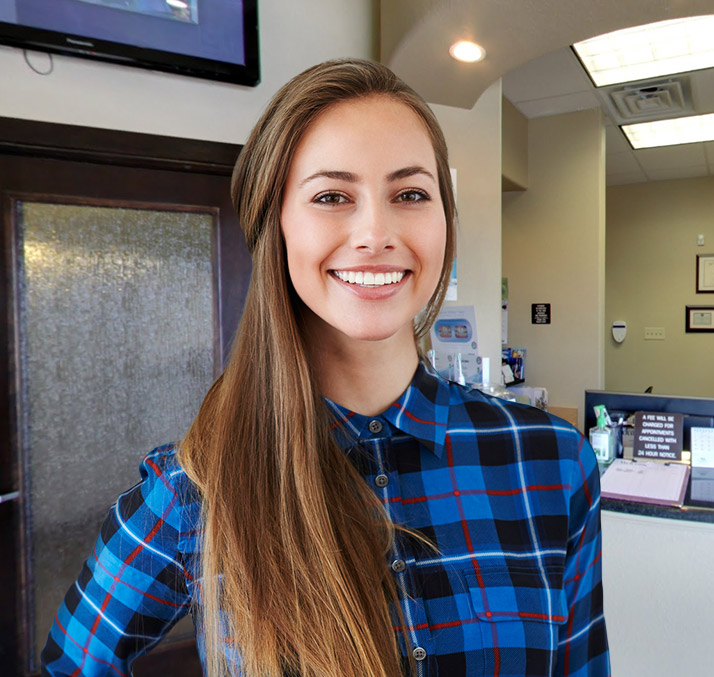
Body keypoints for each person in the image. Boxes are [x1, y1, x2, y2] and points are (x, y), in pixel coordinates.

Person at [41, 58, 610, 677]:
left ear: (445, 221)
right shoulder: (195, 489)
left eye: (411, 194)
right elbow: (70, 663)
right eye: (332, 196)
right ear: (276, 226)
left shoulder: (552, 460)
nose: (375, 232)